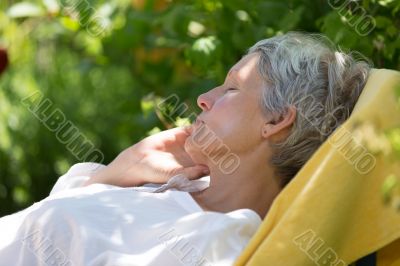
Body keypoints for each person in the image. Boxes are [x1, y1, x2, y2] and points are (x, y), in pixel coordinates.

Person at [0, 32, 370, 265]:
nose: (203, 99)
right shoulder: (169, 187)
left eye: (230, 89)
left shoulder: (218, 242)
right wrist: (117, 170)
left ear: (276, 122)